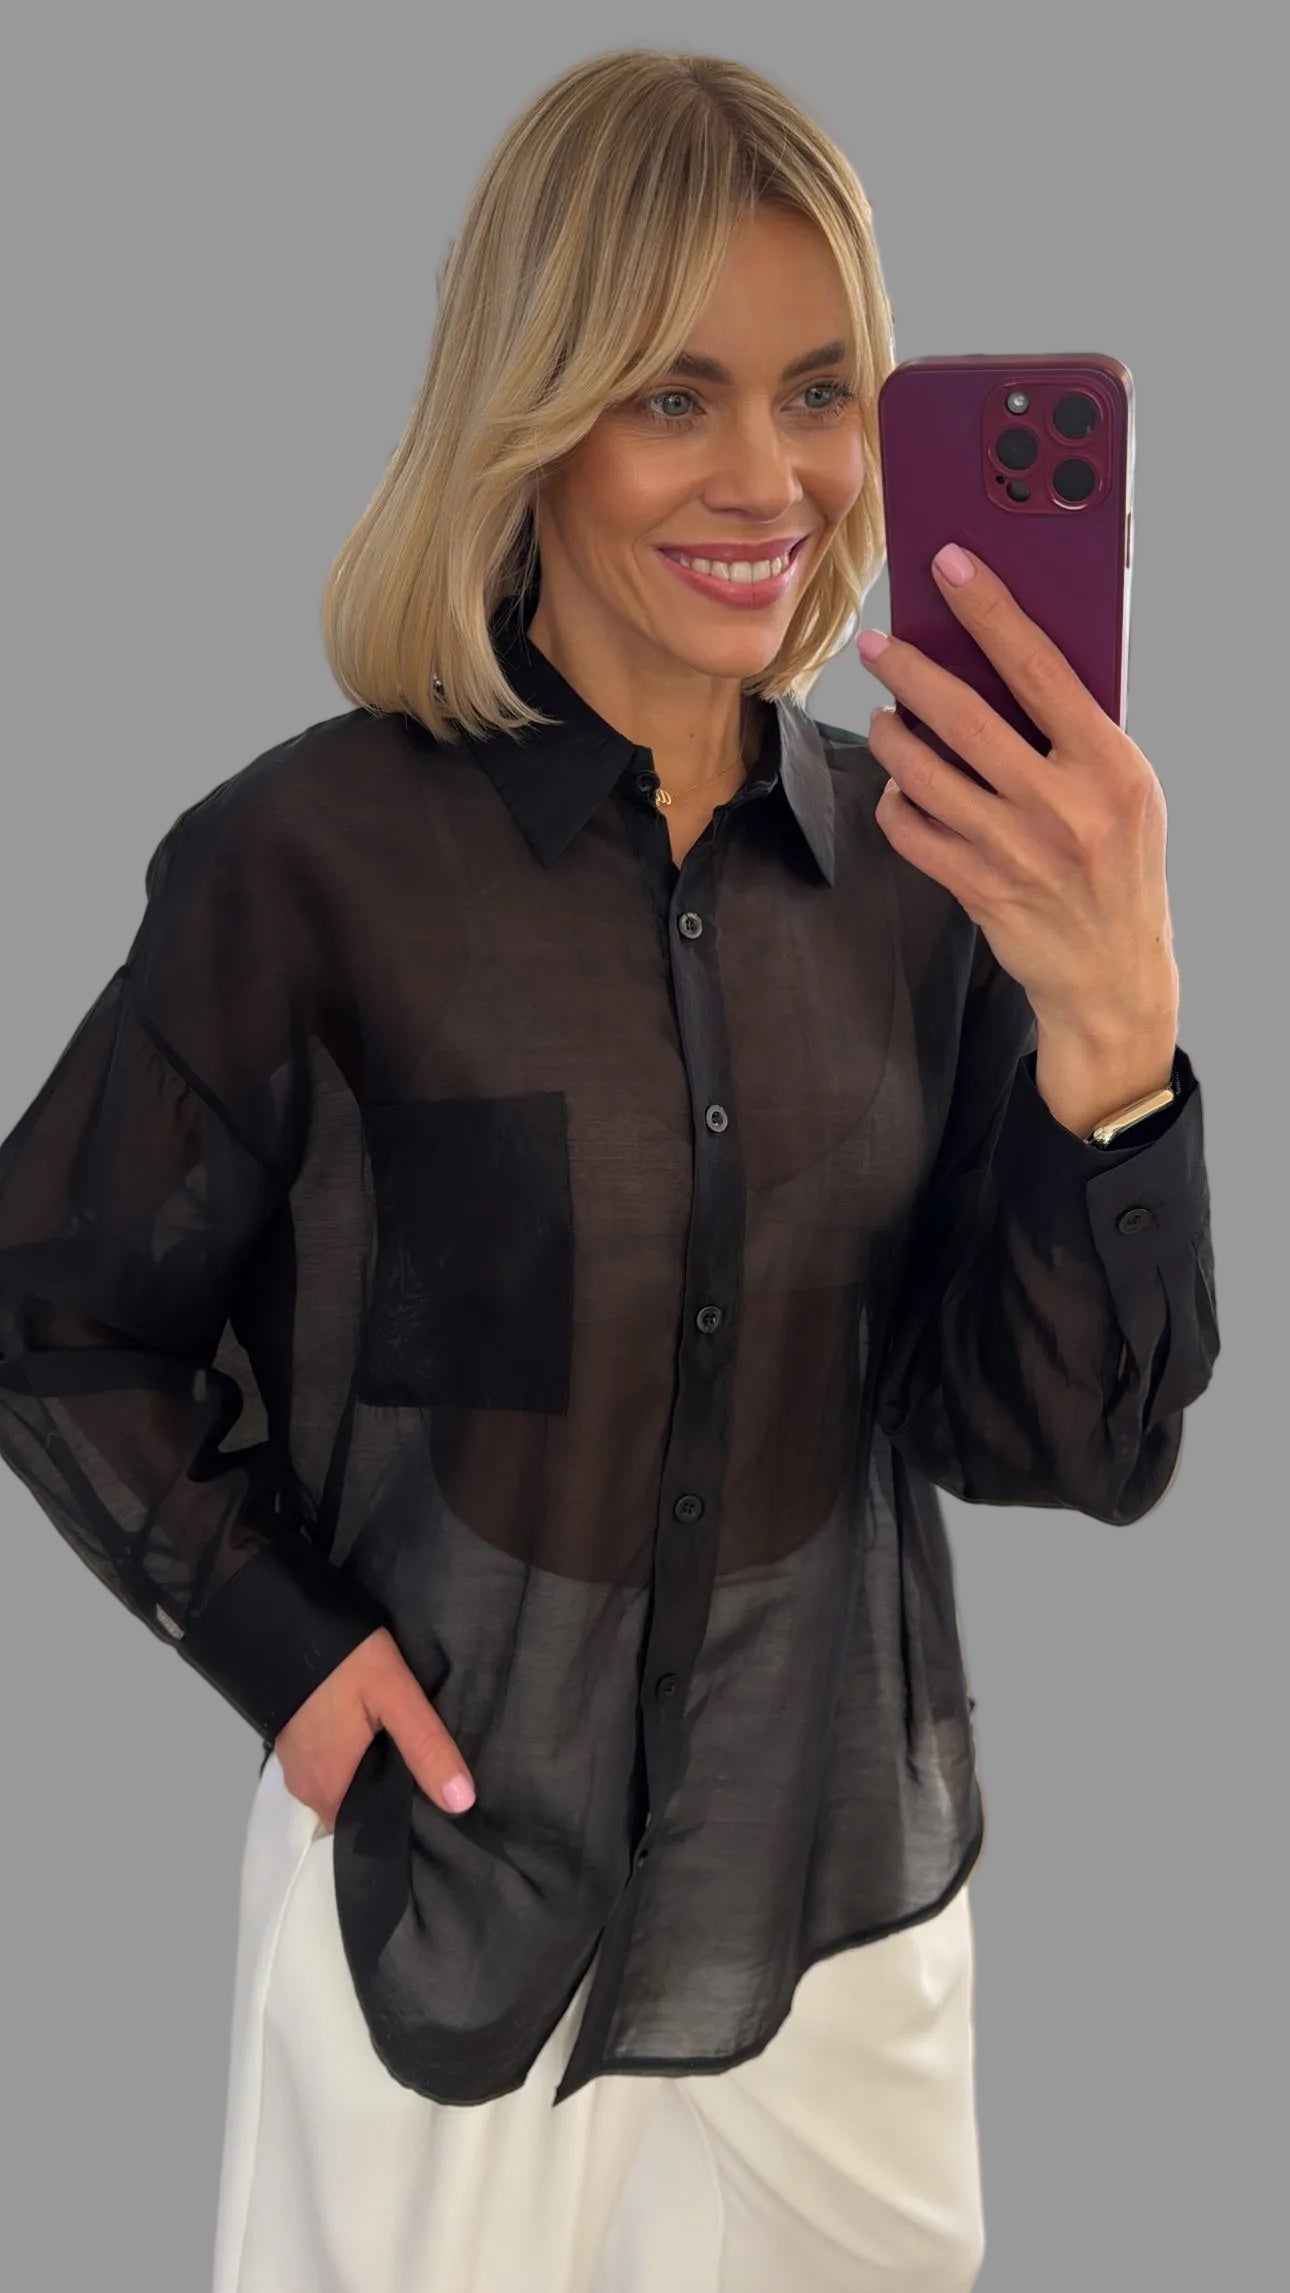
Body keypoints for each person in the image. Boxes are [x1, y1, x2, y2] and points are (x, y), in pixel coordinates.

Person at [0, 45, 1218, 2293]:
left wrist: (1115, 1047)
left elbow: (1052, 1440)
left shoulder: (924, 878)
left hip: (840, 1941)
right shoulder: (314, 860)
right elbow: (54, 1302)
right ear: (534, 414)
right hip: (448, 1928)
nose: (771, 474)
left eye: (822, 390)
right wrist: (282, 1650)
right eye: (674, 394)